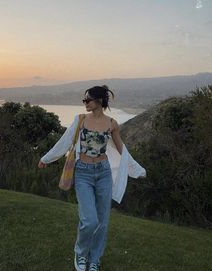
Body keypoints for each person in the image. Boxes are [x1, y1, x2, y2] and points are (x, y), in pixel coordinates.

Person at [38, 85, 146, 271]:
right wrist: (46, 158)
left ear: (99, 101)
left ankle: (94, 258)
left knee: (102, 221)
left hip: (103, 172)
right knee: (89, 220)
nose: (85, 103)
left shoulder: (112, 124)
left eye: (87, 100)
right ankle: (80, 253)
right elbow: (64, 141)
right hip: (83, 173)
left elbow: (122, 150)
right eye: (85, 100)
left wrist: (136, 169)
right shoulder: (80, 120)